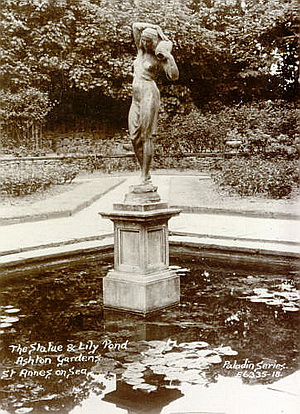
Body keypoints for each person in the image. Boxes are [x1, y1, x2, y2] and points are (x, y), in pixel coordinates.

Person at [128, 22, 179, 185]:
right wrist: (157, 28)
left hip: (149, 93)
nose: (143, 43)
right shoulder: (140, 51)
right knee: (134, 136)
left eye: (147, 41)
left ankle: (145, 174)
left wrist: (169, 57)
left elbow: (174, 76)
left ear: (154, 42)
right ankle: (144, 171)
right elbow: (136, 26)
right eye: (142, 40)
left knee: (146, 136)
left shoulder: (160, 56)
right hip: (135, 97)